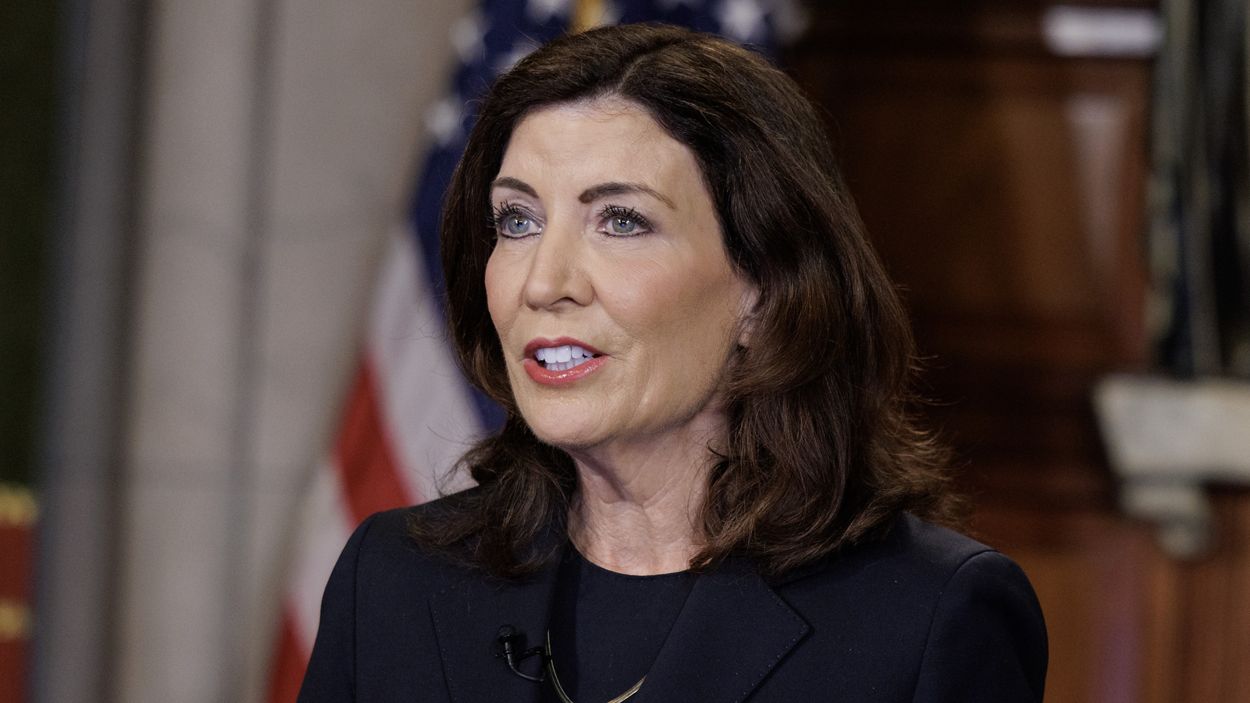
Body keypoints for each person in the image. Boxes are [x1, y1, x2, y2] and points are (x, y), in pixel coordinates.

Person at [298, 23, 1047, 703]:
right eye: (517, 220)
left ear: (765, 289)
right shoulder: (392, 580)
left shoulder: (927, 619)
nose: (544, 282)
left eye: (621, 221)